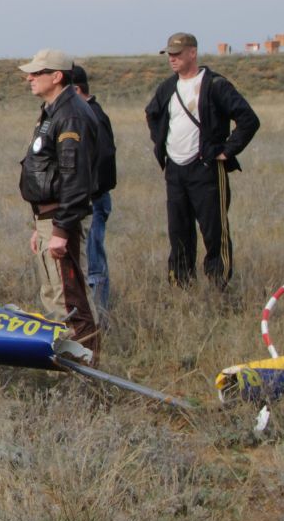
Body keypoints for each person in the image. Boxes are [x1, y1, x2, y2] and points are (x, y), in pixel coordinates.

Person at [145, 32, 260, 290]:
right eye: (169, 55)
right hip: (175, 171)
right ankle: (181, 284)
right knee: (178, 231)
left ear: (192, 53)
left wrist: (226, 151)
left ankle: (219, 284)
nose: (172, 59)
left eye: (177, 54)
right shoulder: (167, 87)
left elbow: (248, 120)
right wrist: (162, 145)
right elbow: (151, 114)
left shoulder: (215, 84)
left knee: (214, 230)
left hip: (206, 168)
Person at [17, 50, 99, 354]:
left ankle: (86, 363)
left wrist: (62, 229)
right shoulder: (54, 110)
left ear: (57, 76)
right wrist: (40, 224)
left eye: (37, 73)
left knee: (70, 298)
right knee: (53, 295)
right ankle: (64, 358)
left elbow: (75, 179)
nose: (29, 78)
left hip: (61, 219)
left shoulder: (71, 114)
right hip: (49, 218)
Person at [69, 65, 117, 317]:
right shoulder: (84, 115)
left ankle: (98, 318)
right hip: (87, 199)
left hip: (93, 201)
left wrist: (87, 192)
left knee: (94, 263)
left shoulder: (93, 116)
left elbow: (104, 160)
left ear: (77, 89)